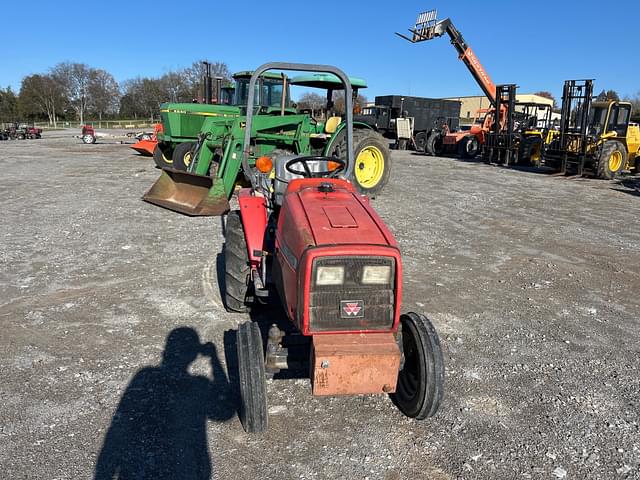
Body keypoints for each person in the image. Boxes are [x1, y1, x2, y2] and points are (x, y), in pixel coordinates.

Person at [95, 327, 233, 480]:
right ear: (194, 355)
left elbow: (118, 427)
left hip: (144, 467)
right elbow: (223, 414)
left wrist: (103, 474)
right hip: (187, 468)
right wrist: (214, 359)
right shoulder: (200, 384)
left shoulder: (146, 375)